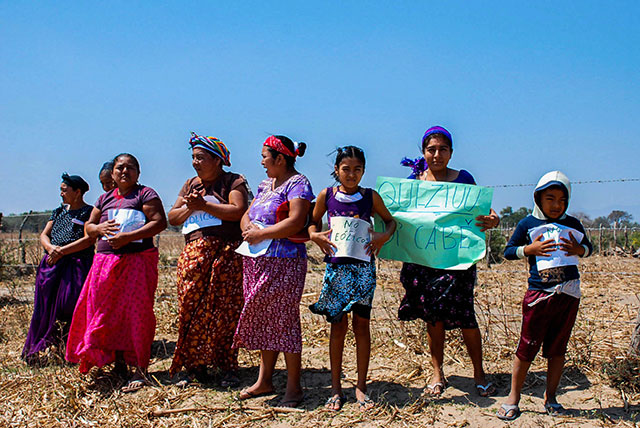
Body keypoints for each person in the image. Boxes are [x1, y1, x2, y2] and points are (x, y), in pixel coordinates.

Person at [398, 126, 500, 397]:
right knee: (433, 317)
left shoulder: (464, 179)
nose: (437, 154)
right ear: (423, 152)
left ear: (451, 152)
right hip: (424, 260)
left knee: (466, 315)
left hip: (458, 261)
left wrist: (493, 219)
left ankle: (479, 373)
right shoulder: (414, 181)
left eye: (443, 149)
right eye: (431, 149)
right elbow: (400, 216)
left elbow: (482, 211)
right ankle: (437, 373)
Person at [66, 153, 167, 393]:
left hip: (136, 263)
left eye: (130, 168)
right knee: (105, 313)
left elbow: (159, 222)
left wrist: (128, 237)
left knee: (137, 314)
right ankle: (116, 363)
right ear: (112, 174)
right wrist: (98, 228)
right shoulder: (104, 199)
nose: (124, 172)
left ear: (138, 173)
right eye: (120, 168)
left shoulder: (145, 194)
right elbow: (89, 228)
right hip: (104, 264)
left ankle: (140, 369)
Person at [497, 171, 593, 421]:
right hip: (539, 294)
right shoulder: (528, 224)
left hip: (569, 294)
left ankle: (551, 398)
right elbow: (508, 251)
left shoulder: (572, 224)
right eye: (550, 198)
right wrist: (530, 249)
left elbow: (589, 248)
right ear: (538, 198)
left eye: (562, 200)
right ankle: (513, 398)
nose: (556, 205)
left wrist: (579, 249)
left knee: (558, 348)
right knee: (527, 346)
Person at [308, 146, 396, 411]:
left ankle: (361, 387)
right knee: (338, 327)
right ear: (337, 170)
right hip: (336, 270)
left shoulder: (370, 197)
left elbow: (390, 222)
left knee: (361, 326)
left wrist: (383, 236)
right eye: (346, 169)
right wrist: (314, 236)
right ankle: (336, 388)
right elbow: (312, 224)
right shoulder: (327, 196)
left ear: (363, 171)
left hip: (363, 270)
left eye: (357, 169)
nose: (351, 174)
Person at [233, 135, 313, 408]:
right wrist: (248, 227)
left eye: (265, 156)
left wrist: (262, 233)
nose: (262, 161)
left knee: (285, 319)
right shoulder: (265, 184)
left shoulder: (298, 184)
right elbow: (249, 211)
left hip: (285, 262)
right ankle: (264, 380)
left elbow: (296, 221)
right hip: (257, 260)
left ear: (280, 159)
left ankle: (294, 387)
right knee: (267, 317)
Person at [167, 132, 249, 386]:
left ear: (217, 160)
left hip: (225, 254)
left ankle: (226, 366)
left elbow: (237, 211)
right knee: (191, 308)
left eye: (200, 158)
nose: (195, 163)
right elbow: (173, 216)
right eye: (193, 158)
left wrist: (204, 206)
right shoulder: (191, 184)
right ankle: (195, 366)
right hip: (194, 257)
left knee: (225, 310)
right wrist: (193, 206)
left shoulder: (233, 182)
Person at [22, 173, 95, 364]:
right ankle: (44, 347)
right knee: (45, 306)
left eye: (65, 190)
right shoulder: (58, 212)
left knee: (69, 304)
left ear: (77, 192)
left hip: (76, 264)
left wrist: (62, 251)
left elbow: (88, 239)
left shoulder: (89, 212)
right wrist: (51, 248)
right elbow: (44, 235)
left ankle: (71, 347)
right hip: (52, 264)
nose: (61, 194)